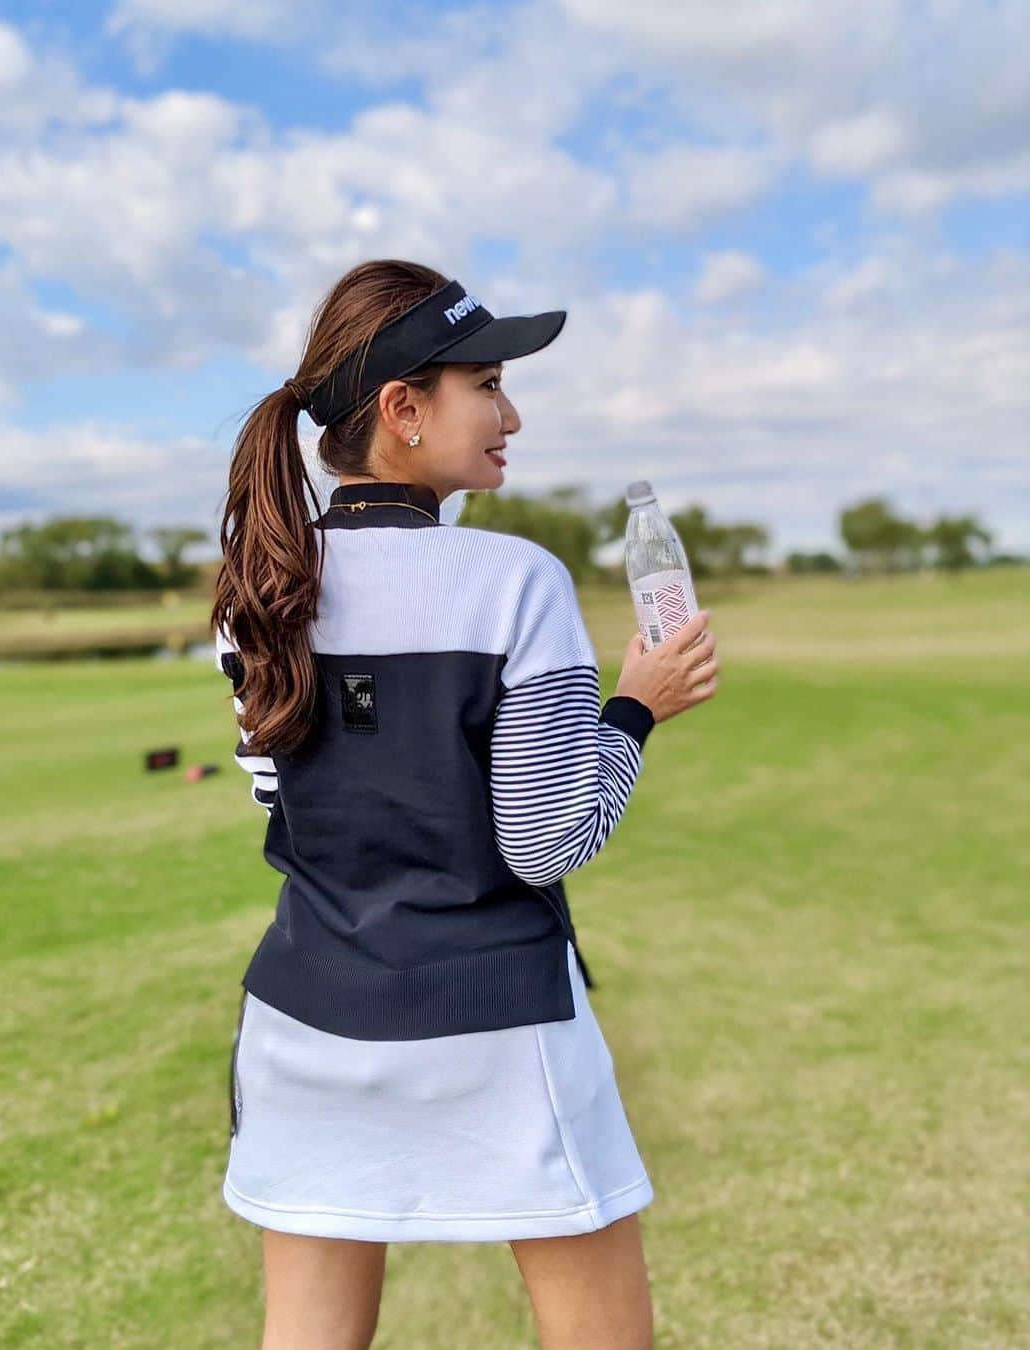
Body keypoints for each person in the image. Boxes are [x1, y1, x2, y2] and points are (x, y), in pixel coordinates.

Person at [210, 259, 719, 1350]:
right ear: (402, 410)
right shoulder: (514, 580)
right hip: (501, 1023)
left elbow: (275, 800)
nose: (511, 414)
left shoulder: (255, 589)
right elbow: (546, 840)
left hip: (305, 1020)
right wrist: (635, 711)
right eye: (485, 382)